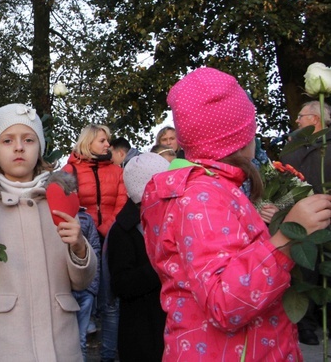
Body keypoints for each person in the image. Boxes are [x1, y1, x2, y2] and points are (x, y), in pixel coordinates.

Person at [141, 67, 331, 361]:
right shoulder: (202, 199)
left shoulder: (204, 190)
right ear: (238, 136)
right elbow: (226, 303)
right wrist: (286, 238)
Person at [0, 103, 97, 360]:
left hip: (60, 347)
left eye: (28, 139)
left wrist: (78, 248)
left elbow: (82, 281)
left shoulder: (61, 198)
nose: (19, 147)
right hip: (3, 348)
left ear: (39, 148)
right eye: (7, 140)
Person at [278, 99, 331, 346]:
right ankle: (305, 324)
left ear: (315, 118)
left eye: (301, 116)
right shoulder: (293, 148)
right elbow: (284, 183)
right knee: (305, 271)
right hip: (303, 216)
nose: (297, 120)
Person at [107, 153, 168, 362]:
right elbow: (121, 284)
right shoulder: (123, 231)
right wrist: (161, 264)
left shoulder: (173, 220)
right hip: (141, 331)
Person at [62, 125, 127, 239]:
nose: (107, 144)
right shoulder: (69, 170)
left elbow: (122, 204)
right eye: (102, 141)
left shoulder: (118, 172)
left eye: (107, 140)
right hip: (81, 236)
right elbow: (67, 207)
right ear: (88, 143)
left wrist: (105, 230)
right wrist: (88, 231)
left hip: (113, 236)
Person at [72, 207, 101, 360]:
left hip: (85, 290)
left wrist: (92, 287)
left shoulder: (86, 219)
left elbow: (95, 250)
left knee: (81, 339)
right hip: (66, 291)